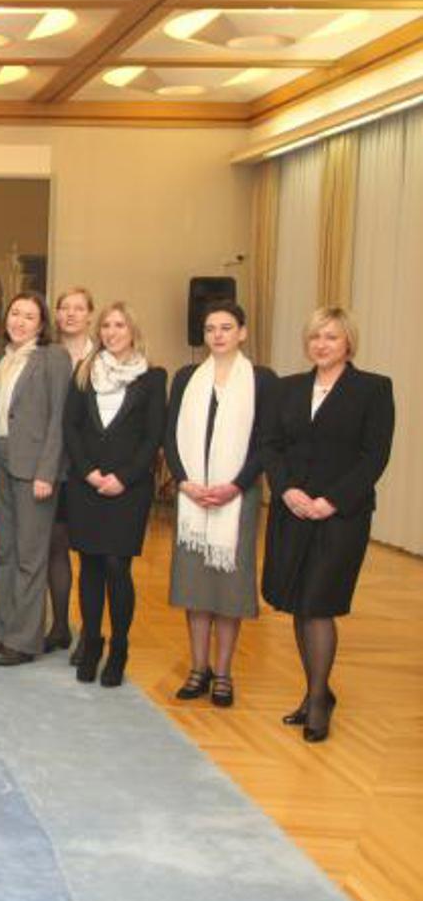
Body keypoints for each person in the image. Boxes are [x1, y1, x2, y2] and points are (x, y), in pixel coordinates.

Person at [262, 307, 394, 743]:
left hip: (342, 516)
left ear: (348, 342)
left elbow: (374, 456)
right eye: (315, 337)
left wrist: (332, 501)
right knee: (299, 603)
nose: (321, 345)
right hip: (293, 509)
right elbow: (270, 446)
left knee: (319, 603)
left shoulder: (373, 389)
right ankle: (314, 689)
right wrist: (285, 490)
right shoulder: (287, 388)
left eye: (331, 337)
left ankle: (319, 701)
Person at [166, 301, 277, 710]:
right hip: (192, 497)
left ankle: (224, 672)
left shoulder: (262, 380)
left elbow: (266, 442)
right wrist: (184, 481)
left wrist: (235, 486)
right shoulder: (186, 377)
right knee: (195, 587)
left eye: (226, 327)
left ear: (242, 332)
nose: (217, 335)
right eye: (211, 328)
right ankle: (199, 668)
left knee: (229, 590)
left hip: (238, 498)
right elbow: (169, 436)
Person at [62, 303, 166, 686]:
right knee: (89, 566)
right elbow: (71, 427)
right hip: (86, 484)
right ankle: (91, 642)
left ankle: (119, 646)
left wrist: (124, 477)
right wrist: (88, 472)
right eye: (106, 325)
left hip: (129, 488)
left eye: (119, 325)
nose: (111, 332)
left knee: (117, 566)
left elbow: (153, 435)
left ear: (133, 330)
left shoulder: (152, 376)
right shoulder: (85, 370)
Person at [0, 292, 73, 667]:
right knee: (6, 553)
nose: (19, 321)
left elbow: (59, 418)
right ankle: (2, 632)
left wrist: (47, 472)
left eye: (29, 316)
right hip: (0, 459)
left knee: (30, 557)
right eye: (15, 313)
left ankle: (24, 640)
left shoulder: (53, 357)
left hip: (35, 468)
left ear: (42, 323)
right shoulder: (1, 359)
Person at [50, 286, 96, 662]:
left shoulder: (104, 357)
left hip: (92, 468)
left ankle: (90, 633)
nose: (70, 314)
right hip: (55, 467)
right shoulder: (46, 355)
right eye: (64, 307)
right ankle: (60, 625)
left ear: (90, 315)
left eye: (78, 308)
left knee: (92, 555)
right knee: (56, 545)